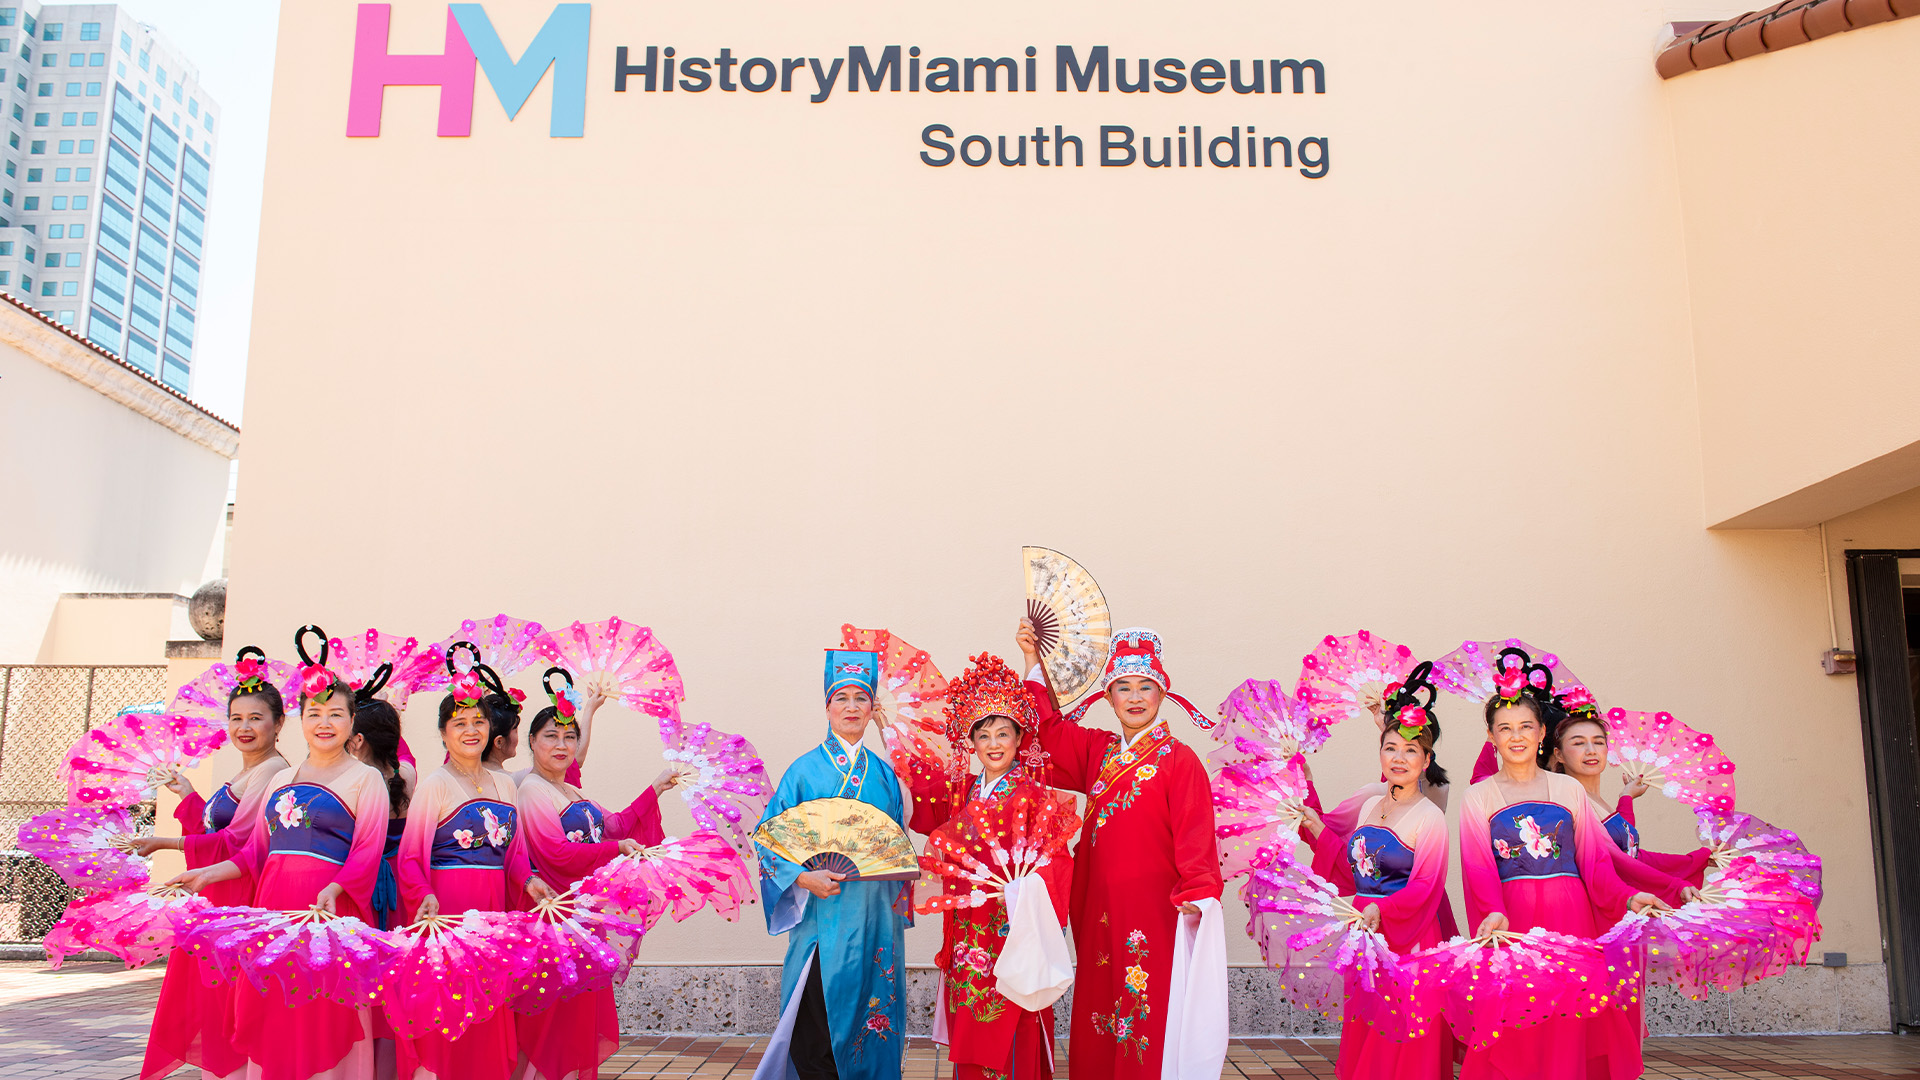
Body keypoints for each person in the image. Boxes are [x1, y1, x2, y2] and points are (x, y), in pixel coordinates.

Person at [1016, 622, 1224, 1080]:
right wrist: (1034, 662)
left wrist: (1200, 890)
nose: (1135, 696)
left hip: (1154, 910)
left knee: (1143, 1010)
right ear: (1108, 698)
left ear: (1162, 693)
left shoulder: (1180, 760)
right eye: (1123, 687)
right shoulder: (1098, 750)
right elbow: (1044, 737)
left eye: (1145, 686)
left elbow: (1196, 836)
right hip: (1098, 909)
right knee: (1100, 1007)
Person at [168, 661, 394, 1080]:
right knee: (277, 1009)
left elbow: (367, 852)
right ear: (300, 720)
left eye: (336, 714)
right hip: (274, 910)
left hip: (329, 914)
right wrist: (207, 875)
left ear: (351, 722)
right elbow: (255, 854)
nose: (324, 723)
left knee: (324, 1014)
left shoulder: (366, 779)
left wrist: (336, 888)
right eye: (315, 714)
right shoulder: (282, 778)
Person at [1458, 657, 1671, 1080]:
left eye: (1525, 727)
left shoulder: (1567, 788)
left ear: (1540, 733)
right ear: (1491, 736)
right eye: (1505, 728)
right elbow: (1478, 867)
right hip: (1511, 920)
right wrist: (1492, 912)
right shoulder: (1478, 797)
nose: (1516, 736)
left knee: (1568, 1021)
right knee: (1515, 1017)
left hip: (1572, 919)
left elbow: (1595, 862)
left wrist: (1628, 896)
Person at [906, 653, 1071, 1080]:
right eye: (983, 735)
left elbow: (1058, 863)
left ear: (1019, 738)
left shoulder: (1036, 797)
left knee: (1014, 1020)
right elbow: (926, 816)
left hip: (1017, 929)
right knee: (972, 1024)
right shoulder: (963, 794)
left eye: (1003, 733)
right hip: (969, 926)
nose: (994, 744)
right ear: (972, 743)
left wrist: (1023, 890)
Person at [513, 666, 681, 1080]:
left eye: (570, 736)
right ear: (531, 742)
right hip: (551, 917)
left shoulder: (569, 790)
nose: (562, 744)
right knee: (549, 1017)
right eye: (551, 736)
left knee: (574, 1016)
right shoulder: (532, 790)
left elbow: (616, 827)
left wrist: (656, 787)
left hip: (581, 918)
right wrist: (615, 848)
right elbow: (555, 853)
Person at [750, 650, 911, 1080]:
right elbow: (767, 840)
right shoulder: (802, 773)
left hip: (875, 917)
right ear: (827, 707)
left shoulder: (886, 775)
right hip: (823, 917)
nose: (852, 708)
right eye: (842, 698)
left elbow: (897, 847)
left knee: (872, 1021)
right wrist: (803, 876)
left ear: (873, 708)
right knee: (815, 1027)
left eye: (861, 698)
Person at [136, 648, 290, 1080]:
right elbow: (217, 828)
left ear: (279, 724)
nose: (244, 727)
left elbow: (238, 841)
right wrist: (186, 793)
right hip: (217, 892)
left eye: (256, 718)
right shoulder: (247, 771)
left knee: (229, 1002)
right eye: (237, 718)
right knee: (210, 998)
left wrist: (164, 841)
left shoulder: (273, 771)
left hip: (240, 894)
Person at [393, 665, 552, 1080]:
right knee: (448, 1009)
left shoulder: (505, 786)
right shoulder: (435, 784)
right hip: (446, 911)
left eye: (478, 721)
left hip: (492, 913)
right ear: (444, 734)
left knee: (487, 1009)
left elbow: (515, 854)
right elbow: (410, 855)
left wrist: (532, 882)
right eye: (459, 722)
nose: (470, 729)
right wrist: (423, 893)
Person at [1299, 662, 1455, 1080]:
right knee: (1368, 1028)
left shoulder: (1429, 817)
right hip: (1366, 933)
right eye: (1390, 749)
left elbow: (1425, 886)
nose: (1399, 758)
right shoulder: (1370, 806)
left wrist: (1383, 913)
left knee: (1405, 1033)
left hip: (1411, 933)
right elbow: (1353, 875)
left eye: (1410, 751)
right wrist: (1316, 825)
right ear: (1379, 753)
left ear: (1426, 760)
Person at [1545, 688, 1711, 887]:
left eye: (1598, 742)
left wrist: (1626, 797)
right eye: (1579, 743)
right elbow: (1621, 862)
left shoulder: (1591, 797)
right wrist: (1674, 884)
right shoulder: (1569, 800)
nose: (1591, 751)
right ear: (1559, 754)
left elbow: (1625, 844)